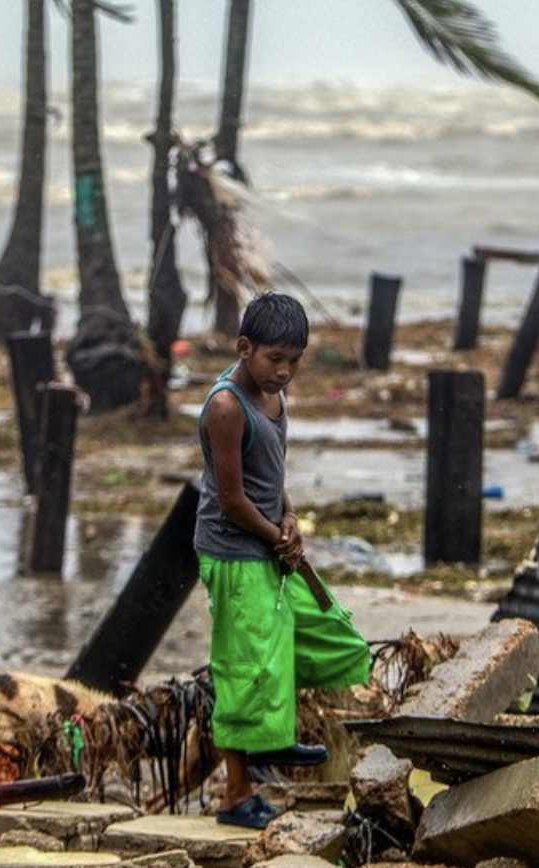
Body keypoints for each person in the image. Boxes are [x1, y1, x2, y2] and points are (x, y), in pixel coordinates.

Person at [194, 292, 365, 829]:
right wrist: (277, 536)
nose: (286, 372)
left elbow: (269, 478)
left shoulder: (273, 395)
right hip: (233, 549)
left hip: (267, 542)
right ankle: (240, 788)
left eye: (295, 360)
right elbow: (232, 499)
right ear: (244, 349)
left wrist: (289, 518)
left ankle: (266, 751)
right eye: (275, 359)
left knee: (328, 636)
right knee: (246, 666)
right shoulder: (226, 406)